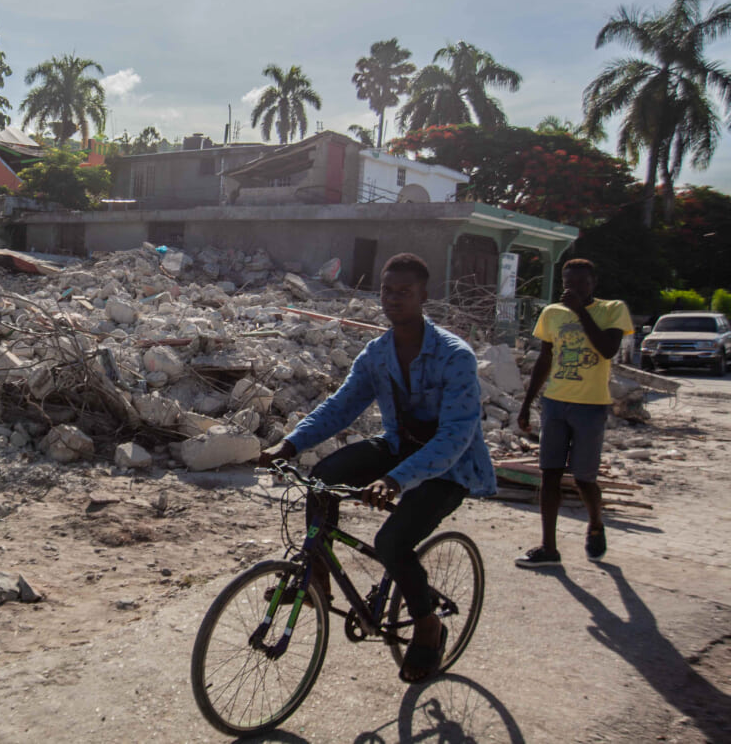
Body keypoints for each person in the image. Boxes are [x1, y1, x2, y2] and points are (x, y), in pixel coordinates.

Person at [260, 253, 496, 683]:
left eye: (404, 292)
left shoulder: (454, 356)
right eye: (387, 290)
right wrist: (290, 445)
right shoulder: (378, 353)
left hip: (449, 468)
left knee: (392, 542)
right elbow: (342, 406)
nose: (393, 299)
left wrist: (394, 479)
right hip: (398, 448)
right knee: (322, 482)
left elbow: (456, 435)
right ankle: (318, 579)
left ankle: (428, 626)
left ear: (424, 296)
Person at [515, 258, 632, 569]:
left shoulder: (612, 309)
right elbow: (545, 358)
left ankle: (595, 522)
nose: (573, 288)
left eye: (581, 283)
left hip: (591, 406)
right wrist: (527, 404)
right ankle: (548, 548)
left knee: (583, 478)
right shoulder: (552, 313)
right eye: (568, 283)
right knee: (550, 474)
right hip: (555, 403)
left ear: (593, 282)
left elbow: (607, 349)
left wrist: (581, 311)